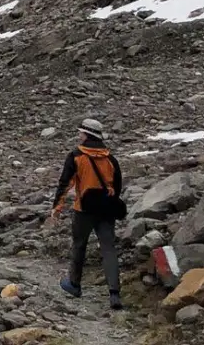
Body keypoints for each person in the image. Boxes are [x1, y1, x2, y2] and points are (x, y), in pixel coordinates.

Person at [48, 118, 124, 310]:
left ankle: (74, 285)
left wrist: (57, 208)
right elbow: (117, 186)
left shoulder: (76, 156)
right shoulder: (110, 158)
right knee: (108, 248)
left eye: (81, 132)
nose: (79, 135)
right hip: (106, 210)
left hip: (84, 208)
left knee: (79, 245)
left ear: (87, 135)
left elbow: (65, 184)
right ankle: (114, 294)